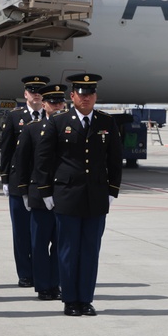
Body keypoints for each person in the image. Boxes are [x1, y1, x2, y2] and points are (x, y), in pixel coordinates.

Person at [34, 73, 123, 316]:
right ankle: (70, 300)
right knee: (68, 251)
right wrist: (46, 191)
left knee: (90, 251)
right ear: (72, 96)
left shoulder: (106, 122)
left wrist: (112, 190)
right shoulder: (59, 121)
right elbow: (44, 159)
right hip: (67, 195)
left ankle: (86, 299)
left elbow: (115, 159)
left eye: (90, 93)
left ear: (95, 96)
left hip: (96, 196)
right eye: (81, 94)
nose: (86, 98)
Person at [13, 83, 69, 300]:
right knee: (39, 243)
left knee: (60, 243)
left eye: (59, 102)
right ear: (44, 104)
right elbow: (22, 162)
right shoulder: (32, 129)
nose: (56, 106)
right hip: (38, 194)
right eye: (52, 102)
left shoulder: (70, 127)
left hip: (64, 195)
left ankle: (56, 283)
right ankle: (43, 285)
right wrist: (24, 192)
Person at [0, 75, 50, 288]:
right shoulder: (15, 117)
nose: (36, 93)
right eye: (32, 89)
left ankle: (42, 272)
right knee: (21, 232)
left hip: (41, 182)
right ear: (25, 94)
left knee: (41, 233)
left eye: (40, 90)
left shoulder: (52, 117)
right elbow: (7, 149)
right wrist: (4, 179)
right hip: (18, 181)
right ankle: (25, 274)